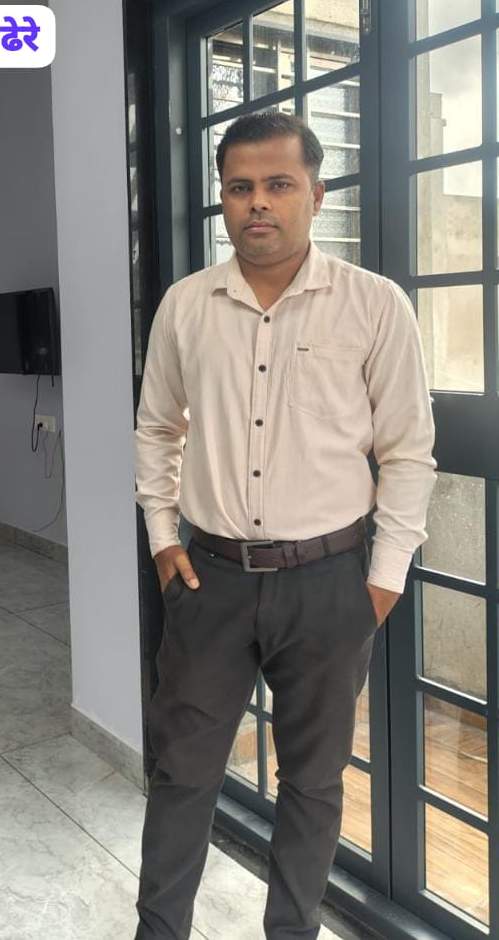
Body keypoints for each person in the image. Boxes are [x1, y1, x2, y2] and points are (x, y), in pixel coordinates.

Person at [132, 111, 437, 940]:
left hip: (331, 584)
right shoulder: (186, 306)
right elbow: (157, 428)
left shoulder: (375, 305)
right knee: (182, 772)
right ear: (223, 198)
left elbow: (408, 452)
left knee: (314, 781)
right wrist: (163, 537)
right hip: (209, 581)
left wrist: (382, 581)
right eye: (239, 187)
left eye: (278, 184)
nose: (257, 202)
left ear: (316, 194)